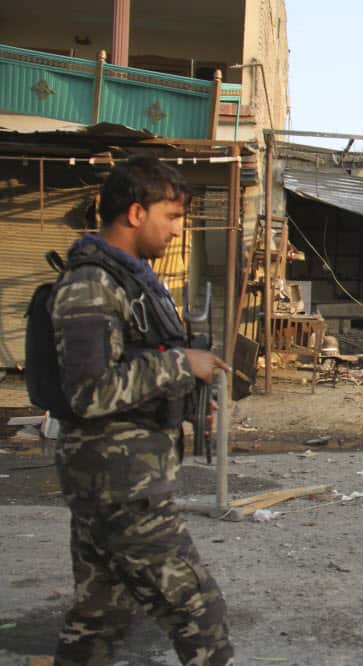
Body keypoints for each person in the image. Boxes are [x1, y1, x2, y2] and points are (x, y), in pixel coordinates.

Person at [51, 156, 234, 665]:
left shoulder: (129, 280)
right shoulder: (91, 283)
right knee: (200, 612)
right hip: (119, 482)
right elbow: (89, 392)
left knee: (98, 619)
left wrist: (188, 405)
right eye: (171, 217)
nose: (178, 231)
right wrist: (181, 366)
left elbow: (135, 366)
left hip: (117, 476)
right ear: (135, 213)